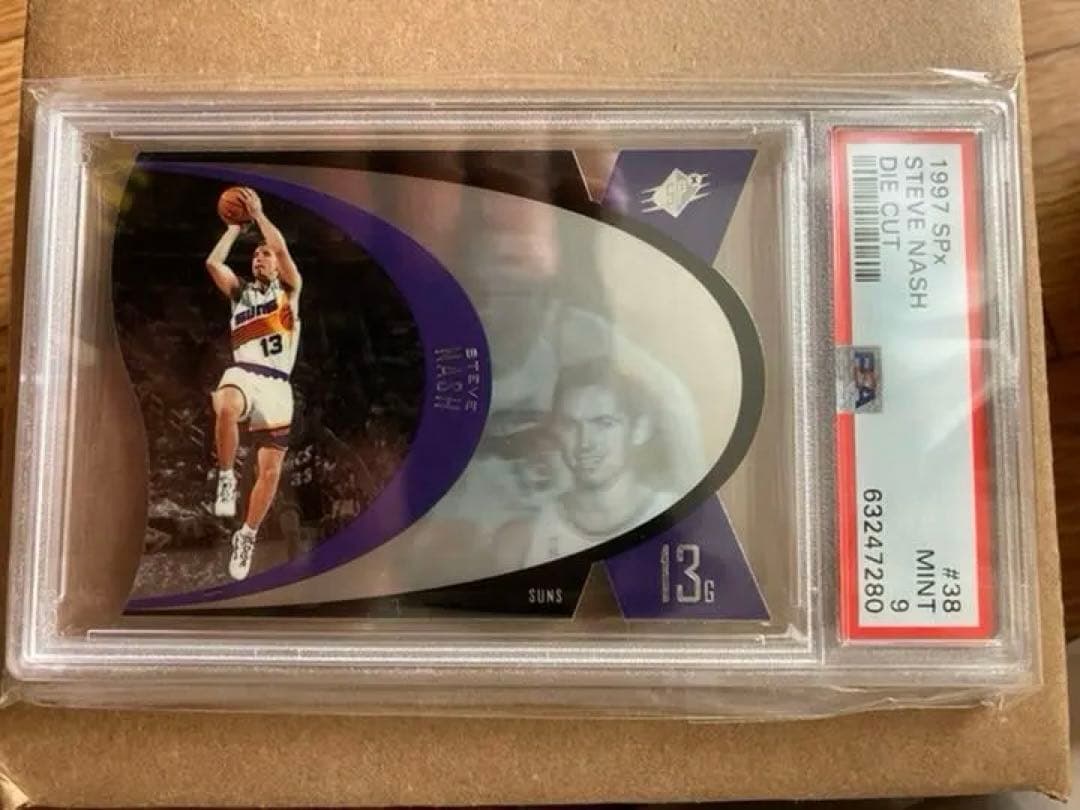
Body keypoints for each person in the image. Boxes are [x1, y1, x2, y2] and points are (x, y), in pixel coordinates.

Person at [205, 187, 303, 581]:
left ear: (276, 265)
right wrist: (233, 228)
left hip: (278, 385)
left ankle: (246, 535)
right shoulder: (240, 294)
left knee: (270, 472)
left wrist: (259, 216)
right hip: (245, 372)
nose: (259, 257)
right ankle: (226, 478)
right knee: (226, 403)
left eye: (265, 254)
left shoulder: (290, 291)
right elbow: (213, 263)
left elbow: (280, 248)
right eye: (255, 255)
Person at [498, 362, 677, 569]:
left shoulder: (679, 516)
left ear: (639, 430)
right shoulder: (522, 540)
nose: (585, 443)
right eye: (570, 425)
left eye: (603, 423)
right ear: (555, 431)